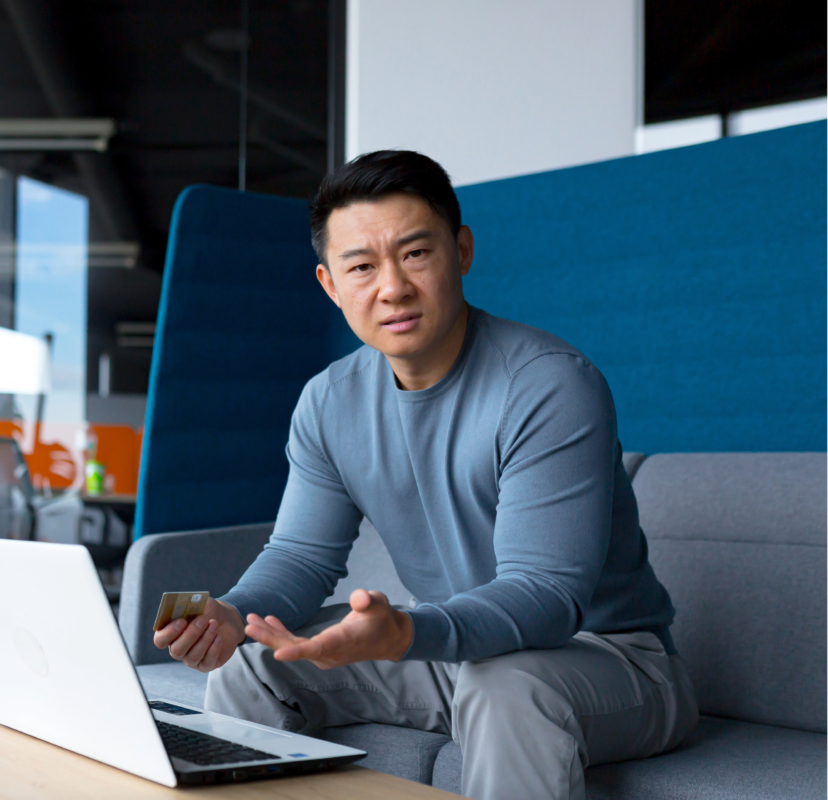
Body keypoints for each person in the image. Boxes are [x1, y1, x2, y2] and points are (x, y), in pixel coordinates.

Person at [153, 150, 698, 800]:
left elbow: (548, 593)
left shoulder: (548, 383)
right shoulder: (330, 402)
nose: (392, 287)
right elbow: (300, 555)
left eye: (415, 254)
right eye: (362, 266)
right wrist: (231, 613)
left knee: (508, 685)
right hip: (457, 652)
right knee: (255, 665)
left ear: (461, 251)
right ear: (330, 284)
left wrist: (410, 632)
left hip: (611, 661)